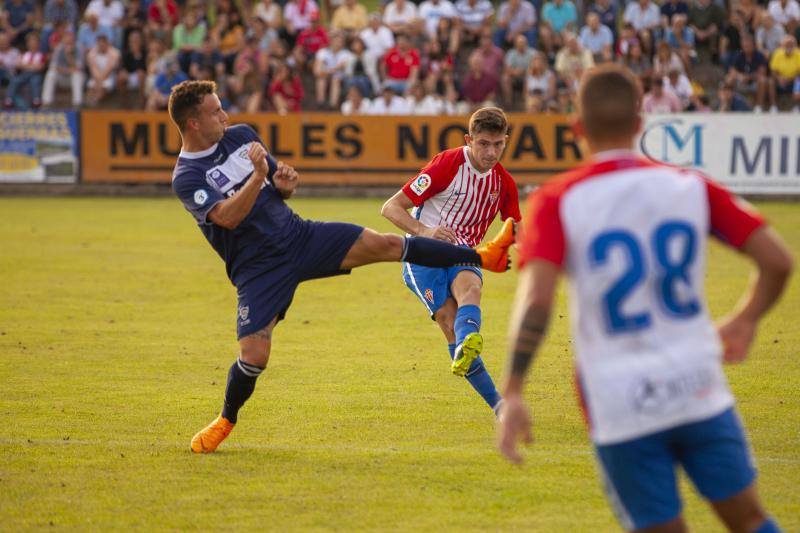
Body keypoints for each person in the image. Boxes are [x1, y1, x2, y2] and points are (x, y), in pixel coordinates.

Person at [498, 63, 793, 533]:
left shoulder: (557, 200)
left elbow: (536, 299)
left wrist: (513, 390)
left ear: (577, 130)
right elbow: (777, 261)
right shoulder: (691, 186)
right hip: (697, 386)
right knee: (752, 520)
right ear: (640, 124)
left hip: (619, 401)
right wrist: (745, 319)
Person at [168, 80, 516, 453]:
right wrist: (256, 178)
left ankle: (482, 257)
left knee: (383, 244)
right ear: (193, 123)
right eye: (215, 111)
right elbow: (227, 218)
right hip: (258, 269)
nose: (225, 115)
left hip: (299, 236)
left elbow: (276, 186)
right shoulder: (187, 177)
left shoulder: (240, 137)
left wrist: (283, 184)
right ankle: (226, 418)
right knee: (255, 356)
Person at [382, 107, 520, 417]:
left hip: (462, 252)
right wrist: (424, 230)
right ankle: (493, 394)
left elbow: (515, 227)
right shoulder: (447, 164)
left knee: (471, 289)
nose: (491, 152)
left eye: (498, 144)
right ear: (469, 140)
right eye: (484, 143)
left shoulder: (503, 183)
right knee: (448, 318)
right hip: (422, 254)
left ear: (506, 141)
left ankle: (496, 400)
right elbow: (390, 208)